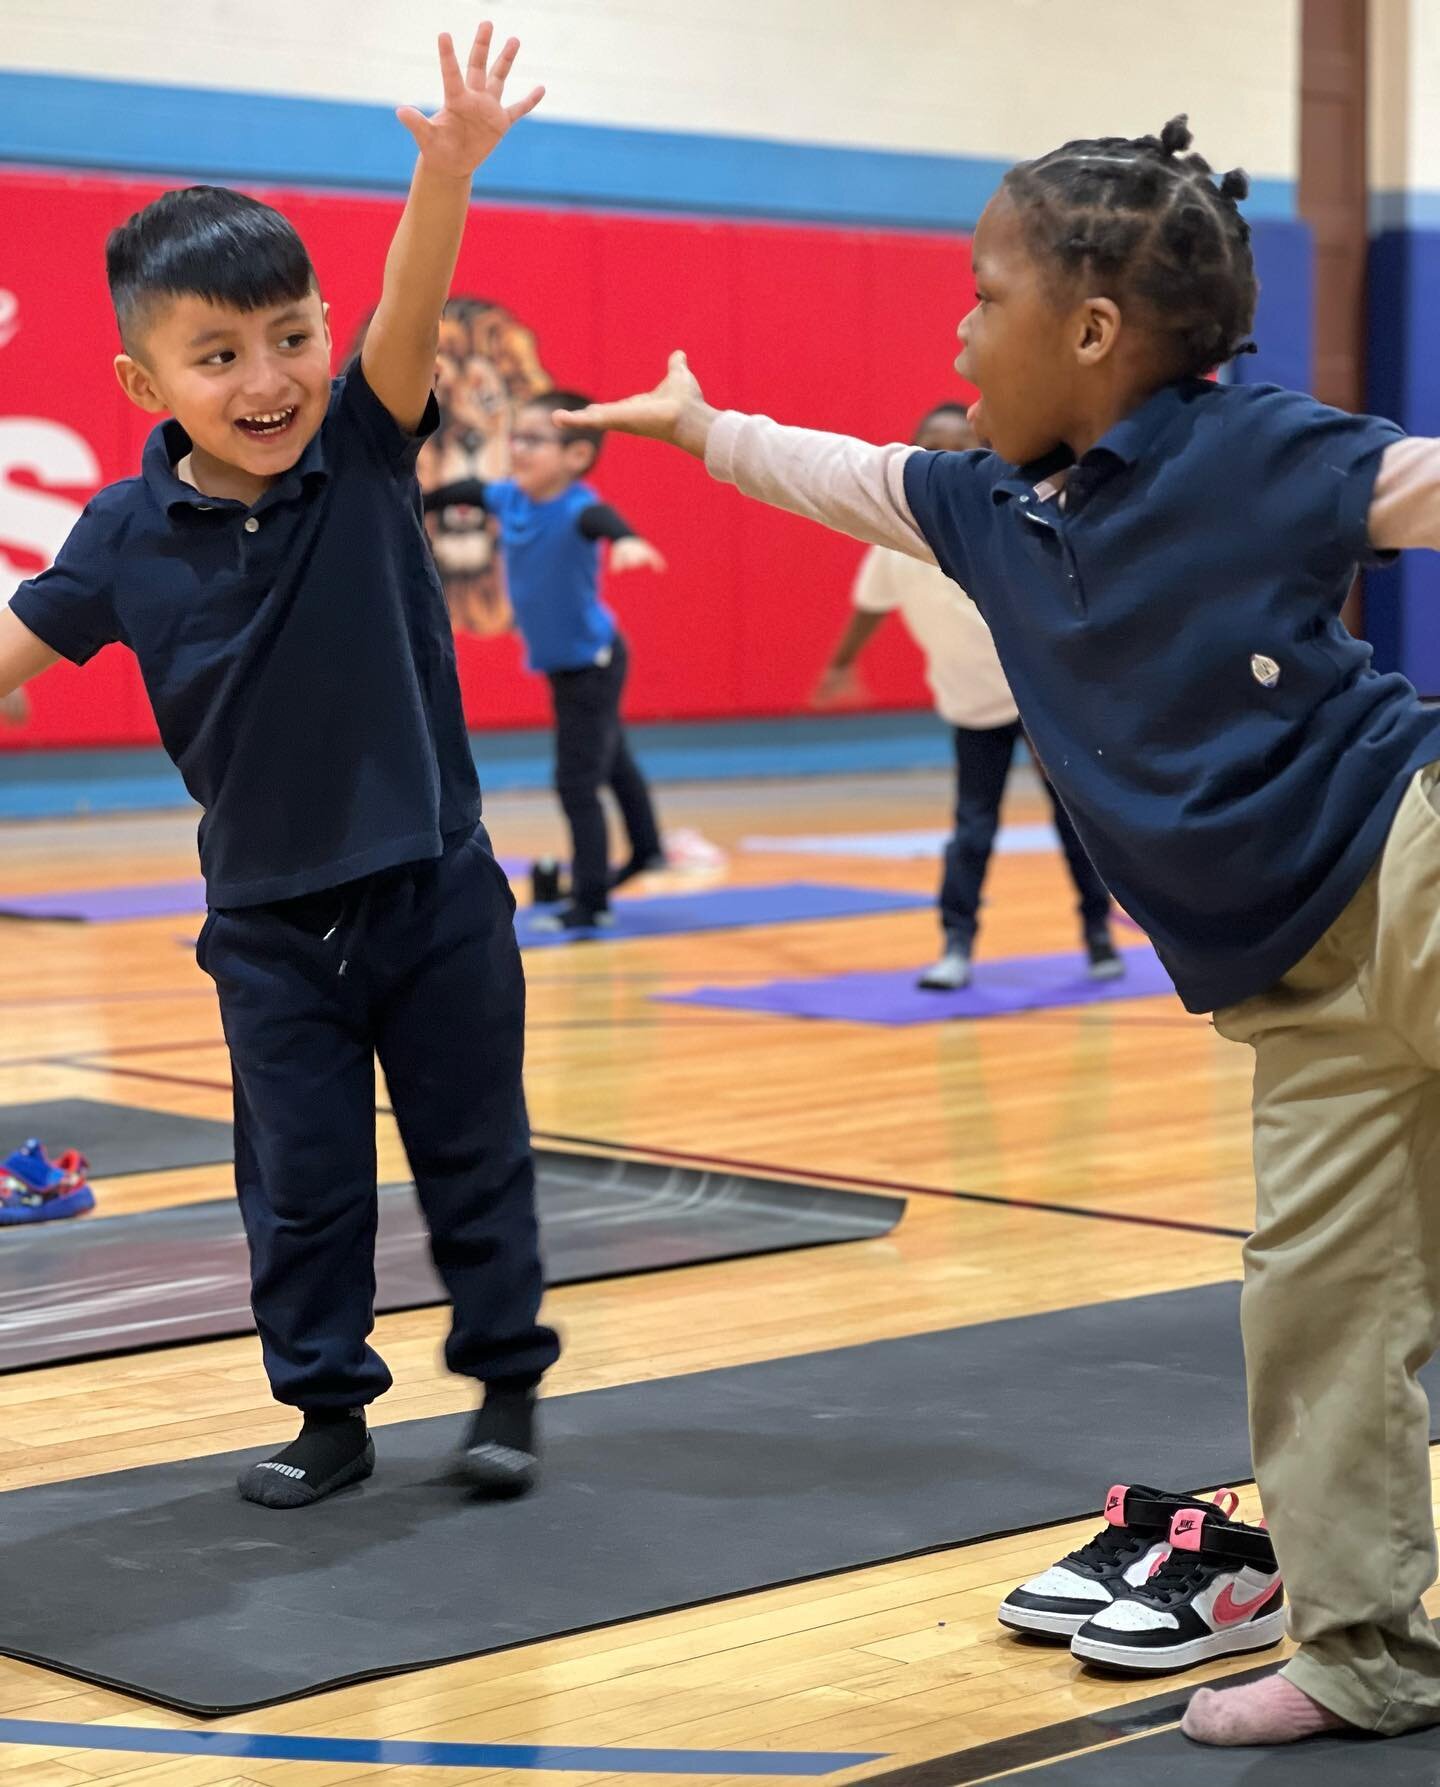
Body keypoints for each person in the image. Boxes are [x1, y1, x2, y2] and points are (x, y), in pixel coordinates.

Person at [565, 117, 1440, 1749]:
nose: (957, 332)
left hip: (1409, 868)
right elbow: (824, 470)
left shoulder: (1247, 456)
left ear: (1092, 331)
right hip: (1292, 995)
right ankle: (1364, 1648)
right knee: (1316, 1317)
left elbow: (1419, 483)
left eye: (983, 297)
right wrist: (694, 425)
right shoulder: (982, 509)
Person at [0, 23, 560, 1508]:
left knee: (472, 1151)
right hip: (267, 925)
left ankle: (505, 1376)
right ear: (144, 381)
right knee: (300, 1185)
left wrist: (442, 171)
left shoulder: (365, 449)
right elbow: (17, 645)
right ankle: (328, 1409)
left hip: (435, 892)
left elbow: (411, 299)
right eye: (221, 354)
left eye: (292, 337)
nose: (270, 378)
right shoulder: (122, 537)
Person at [815, 400, 1118, 989]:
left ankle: (1098, 934)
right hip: (972, 704)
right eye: (933, 441)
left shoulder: (1010, 521)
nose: (946, 451)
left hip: (1043, 702)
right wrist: (841, 665)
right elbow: (869, 609)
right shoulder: (892, 544)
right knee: (973, 828)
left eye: (960, 444)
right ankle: (956, 945)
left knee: (1074, 821)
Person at [421, 393, 668, 933]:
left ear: (576, 457)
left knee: (577, 783)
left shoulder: (577, 507)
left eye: (533, 440)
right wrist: (413, 502)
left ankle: (591, 901)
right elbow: (464, 491)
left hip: (594, 663)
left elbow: (604, 519)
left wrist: (625, 540)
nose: (518, 449)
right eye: (516, 437)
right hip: (569, 664)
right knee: (612, 757)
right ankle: (648, 848)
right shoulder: (510, 498)